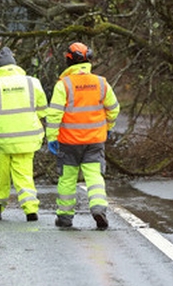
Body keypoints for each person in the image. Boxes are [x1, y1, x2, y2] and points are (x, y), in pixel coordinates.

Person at [46, 42, 119, 229]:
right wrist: (108, 126)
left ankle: (64, 217)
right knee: (94, 177)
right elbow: (113, 109)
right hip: (94, 140)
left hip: (69, 142)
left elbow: (54, 114)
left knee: (67, 179)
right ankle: (98, 208)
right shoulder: (101, 83)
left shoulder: (64, 85)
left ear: (68, 61)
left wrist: (52, 137)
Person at [0, 47, 48, 222]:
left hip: (1, 141)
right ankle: (30, 210)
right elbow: (43, 111)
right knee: (24, 175)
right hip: (27, 139)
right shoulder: (32, 82)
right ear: (16, 66)